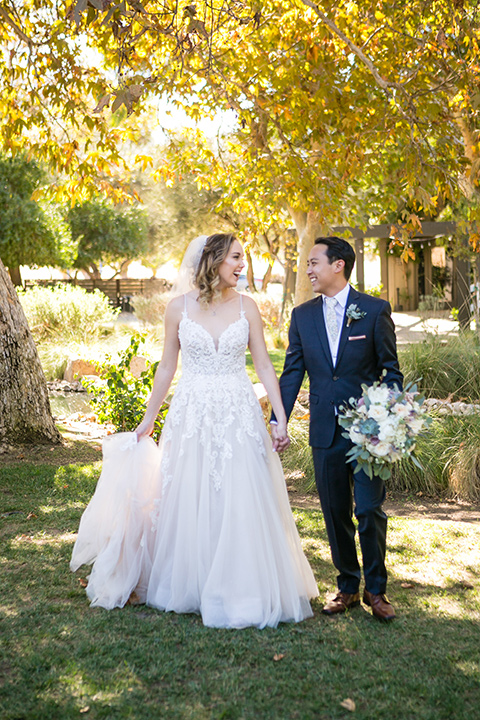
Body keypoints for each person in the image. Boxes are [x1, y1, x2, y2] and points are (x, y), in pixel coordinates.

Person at [71, 233, 318, 629]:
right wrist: (149, 417)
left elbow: (264, 365)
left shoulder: (248, 307)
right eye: (237, 257)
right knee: (190, 491)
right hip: (191, 412)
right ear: (214, 260)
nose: (242, 265)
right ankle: (190, 581)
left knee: (240, 491)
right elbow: (167, 367)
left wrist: (280, 415)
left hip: (237, 411)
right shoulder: (177, 309)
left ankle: (242, 583)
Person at [271, 236, 403, 621]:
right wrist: (278, 419)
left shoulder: (375, 310)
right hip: (324, 430)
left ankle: (376, 591)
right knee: (335, 511)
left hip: (368, 432)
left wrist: (387, 421)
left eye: (313, 262)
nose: (307, 269)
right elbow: (293, 371)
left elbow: (390, 372)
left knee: (370, 510)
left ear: (338, 265)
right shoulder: (302, 316)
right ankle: (347, 585)